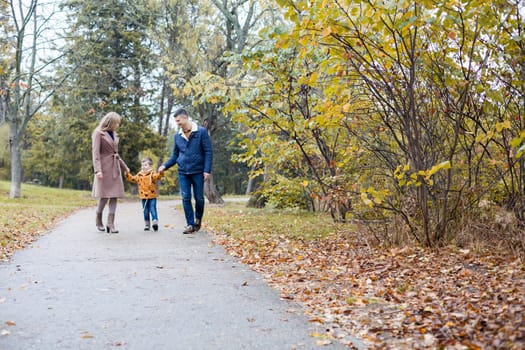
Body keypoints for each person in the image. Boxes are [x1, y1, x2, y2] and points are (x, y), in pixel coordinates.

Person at [158, 108, 213, 234]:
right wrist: (164, 166)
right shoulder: (177, 136)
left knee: (199, 198)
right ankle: (190, 224)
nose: (177, 123)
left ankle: (198, 218)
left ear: (185, 118)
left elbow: (208, 152)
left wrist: (207, 170)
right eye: (176, 121)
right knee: (185, 197)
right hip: (183, 171)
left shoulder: (201, 132)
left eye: (178, 121)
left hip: (198, 170)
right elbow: (175, 156)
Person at [92, 111, 129, 234]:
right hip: (103, 168)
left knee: (114, 195)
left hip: (115, 168)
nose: (118, 125)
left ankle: (110, 223)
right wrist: (98, 170)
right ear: (110, 122)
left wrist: (125, 167)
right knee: (104, 196)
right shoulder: (98, 133)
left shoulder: (115, 134)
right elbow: (95, 153)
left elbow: (116, 154)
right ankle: (98, 218)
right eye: (116, 122)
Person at [125, 157, 164, 231]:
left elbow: (157, 177)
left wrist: (161, 172)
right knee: (145, 210)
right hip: (143, 196)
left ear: (150, 166)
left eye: (145, 165)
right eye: (142, 165)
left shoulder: (152, 174)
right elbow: (133, 179)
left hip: (152, 196)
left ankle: (155, 221)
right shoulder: (139, 175)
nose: (143, 167)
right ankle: (147, 224)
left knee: (153, 208)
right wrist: (127, 174)